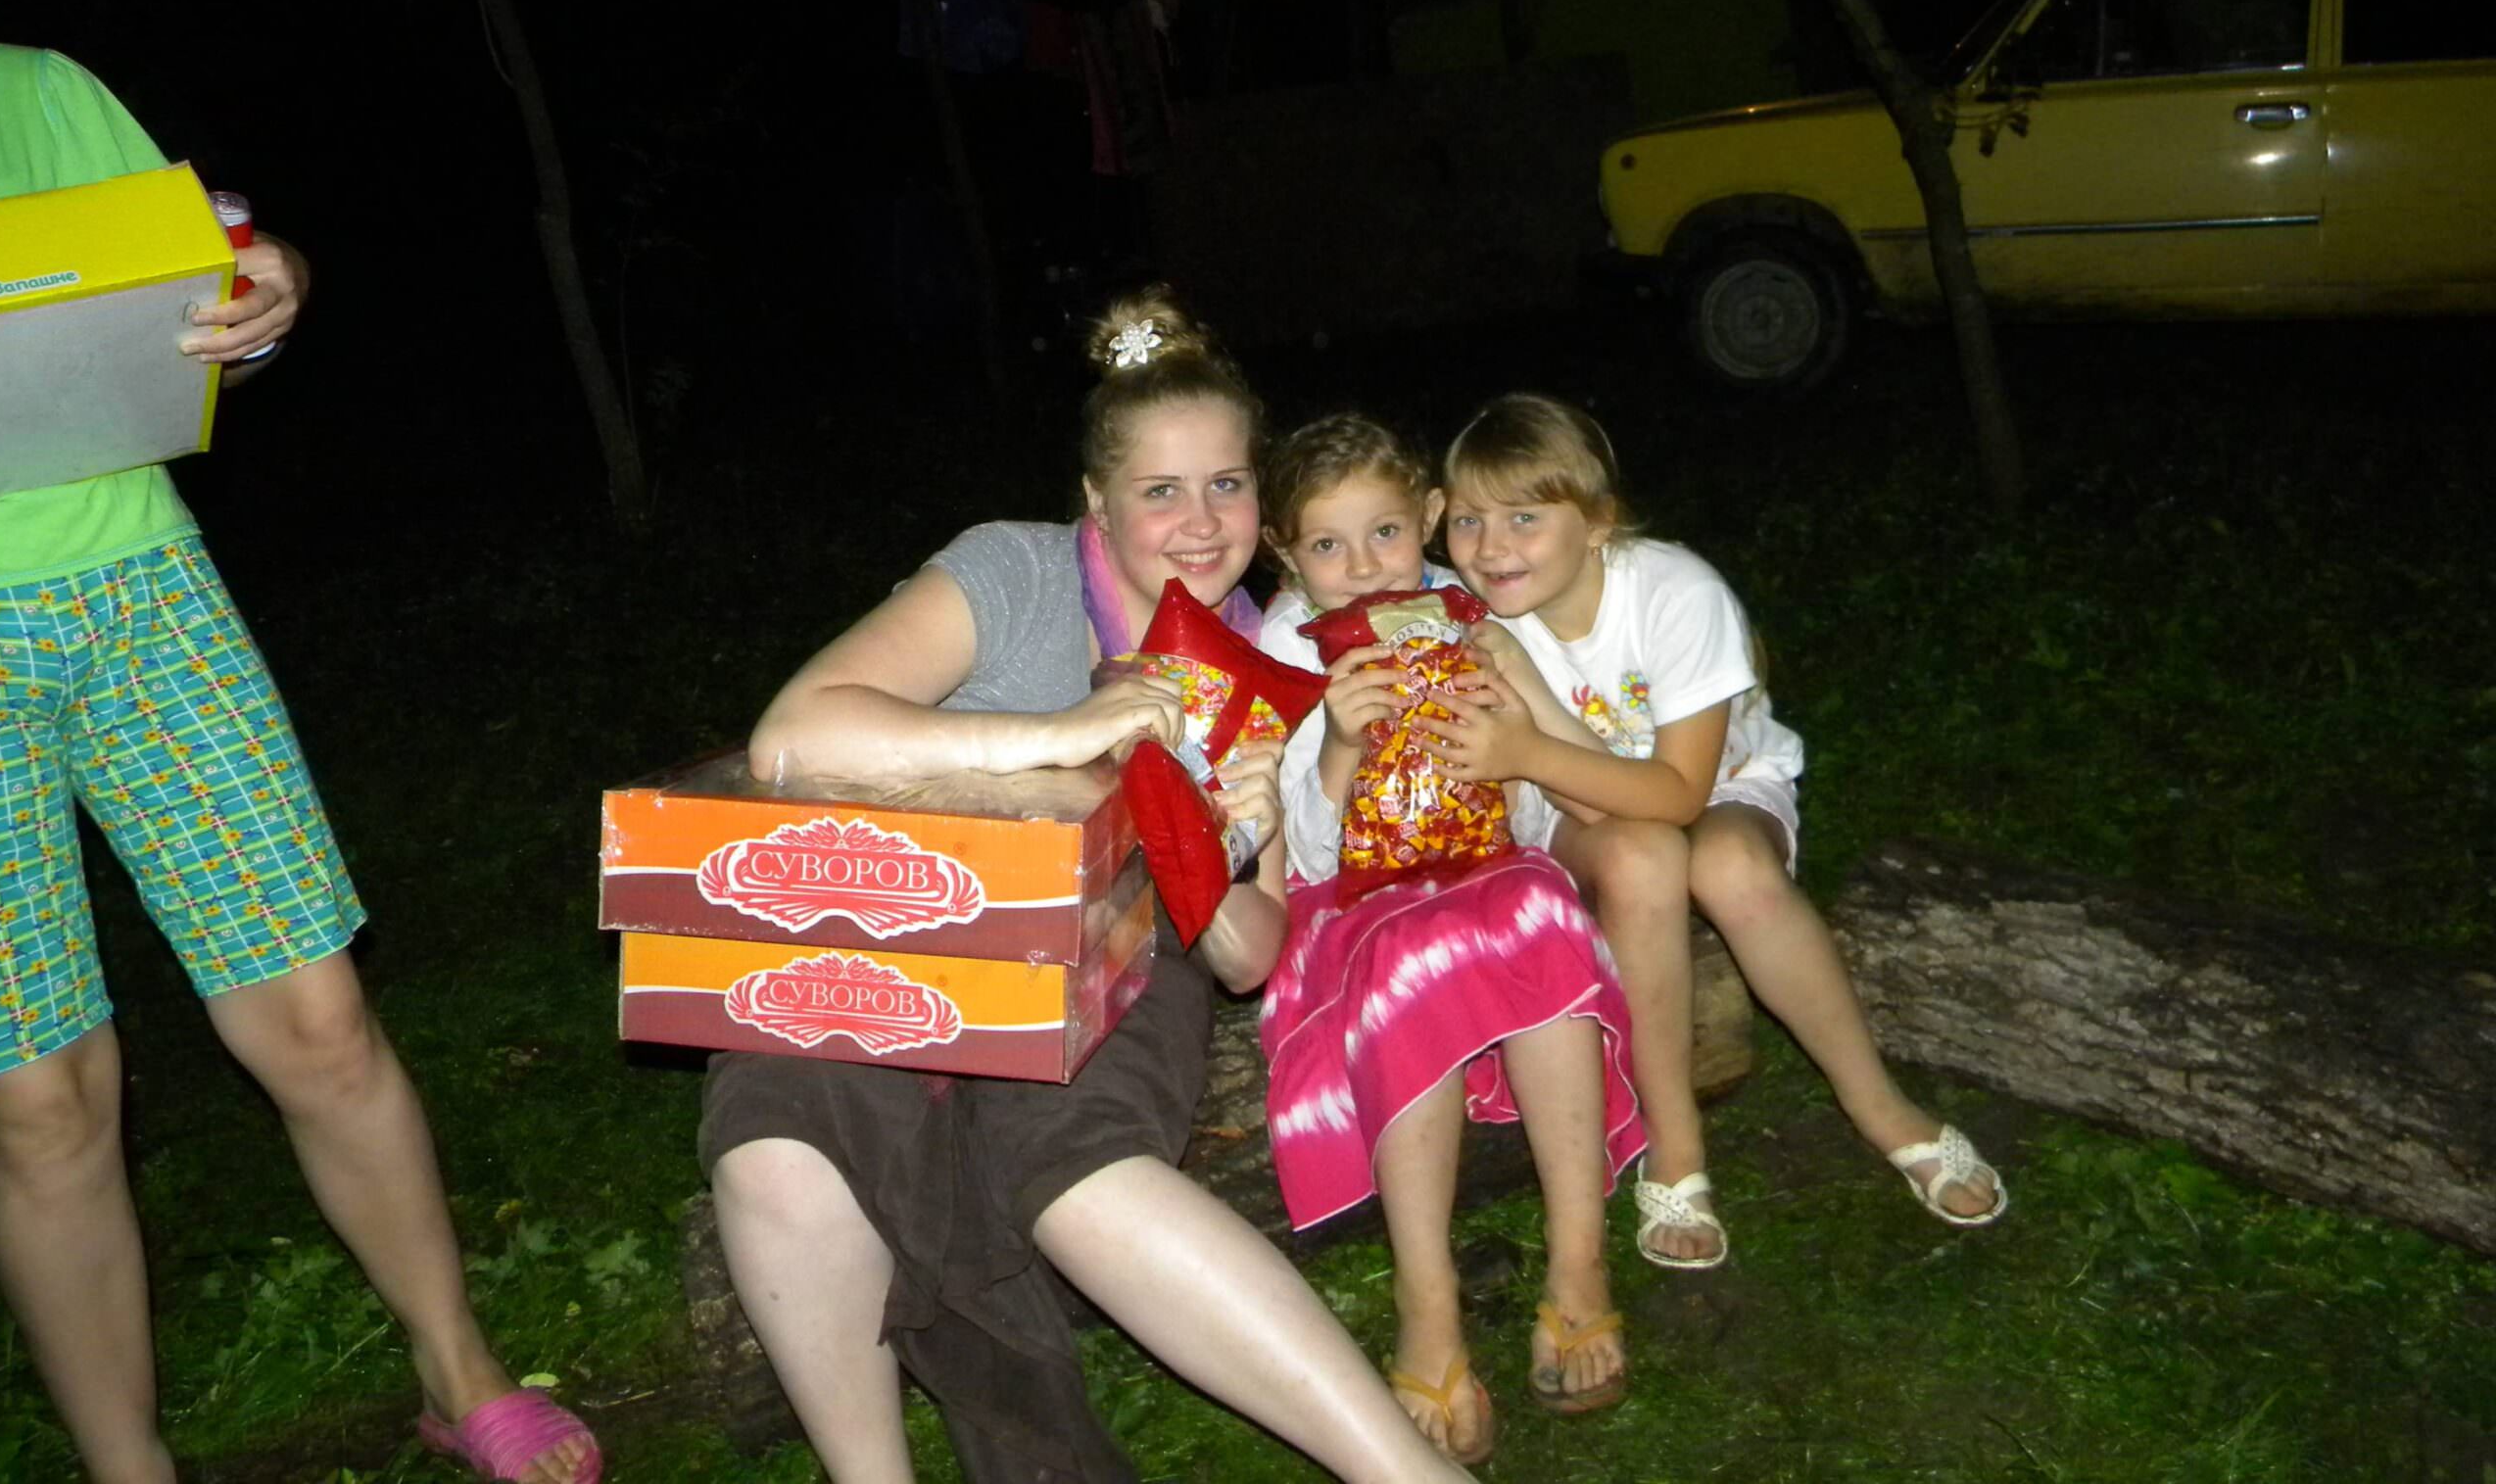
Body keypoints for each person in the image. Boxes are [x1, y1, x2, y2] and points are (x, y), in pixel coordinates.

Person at [711, 293, 1470, 1484]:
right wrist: (1062, 734)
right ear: (1096, 501)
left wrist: (1225, 839)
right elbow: (791, 733)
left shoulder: (1268, 654)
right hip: (907, 905)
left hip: (1118, 947)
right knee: (779, 1138)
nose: (1198, 523)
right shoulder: (1012, 572)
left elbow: (1246, 956)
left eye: (1227, 484)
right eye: (1160, 490)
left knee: (1073, 1160)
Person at [0, 44, 598, 1484]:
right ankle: (129, 1465)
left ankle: (456, 1368)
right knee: (36, 1095)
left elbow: (200, 284)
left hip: (138, 583)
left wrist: (269, 295)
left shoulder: (39, 88)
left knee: (318, 1015)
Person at [1429, 392, 2007, 1269]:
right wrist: (1525, 750)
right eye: (1468, 520)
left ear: (1598, 522)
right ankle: (1676, 1141)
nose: (1490, 546)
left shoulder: (1675, 592)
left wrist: (1527, 746)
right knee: (1642, 856)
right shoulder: (1470, 624)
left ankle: (1878, 1103)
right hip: (1568, 805)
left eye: (1524, 517)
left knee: (1731, 864)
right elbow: (1593, 806)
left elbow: (1678, 792)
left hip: (1719, 781)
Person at [1252, 414, 1643, 1463]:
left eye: (1384, 533)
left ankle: (1578, 1257)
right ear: (1285, 554)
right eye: (1326, 546)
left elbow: (1560, 781)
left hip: (1484, 873)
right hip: (1350, 905)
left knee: (1539, 910)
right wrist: (1338, 740)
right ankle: (1427, 1301)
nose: (1361, 567)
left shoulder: (1469, 616)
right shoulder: (1286, 651)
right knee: (1402, 962)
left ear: (1426, 519)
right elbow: (1300, 850)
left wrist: (1507, 724)